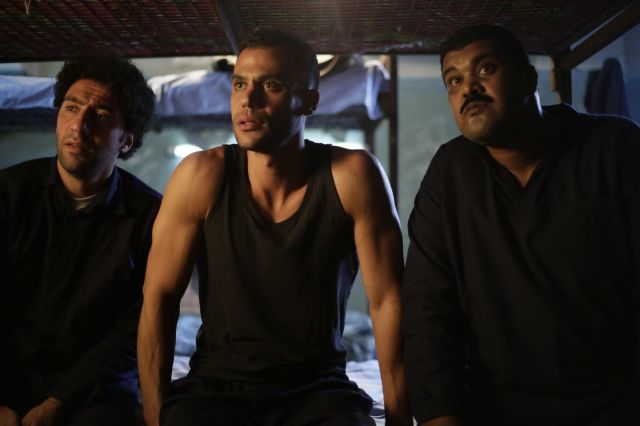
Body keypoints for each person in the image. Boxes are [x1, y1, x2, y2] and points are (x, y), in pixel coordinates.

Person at [137, 28, 410, 426]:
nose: (248, 100)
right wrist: (154, 419)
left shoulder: (353, 175)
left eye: (271, 85)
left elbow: (388, 302)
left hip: (317, 389)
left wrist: (401, 419)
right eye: (239, 84)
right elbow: (158, 299)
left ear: (309, 102)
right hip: (216, 390)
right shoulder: (200, 175)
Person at [402, 24, 640, 426]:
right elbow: (427, 305)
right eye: (453, 80)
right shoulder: (451, 171)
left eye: (485, 69)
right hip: (495, 408)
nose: (468, 88)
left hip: (614, 403)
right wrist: (439, 415)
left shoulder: (614, 147)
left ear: (528, 79)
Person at [0, 57, 161, 426]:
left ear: (126, 140)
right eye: (71, 108)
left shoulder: (150, 216)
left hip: (94, 387)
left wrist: (57, 403)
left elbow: (134, 329)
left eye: (100, 115)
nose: (79, 125)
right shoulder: (8, 194)